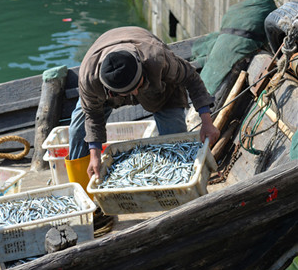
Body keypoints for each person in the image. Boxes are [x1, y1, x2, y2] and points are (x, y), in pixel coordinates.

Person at [67, 26, 220, 183]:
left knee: (176, 144)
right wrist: (95, 154)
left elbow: (191, 78)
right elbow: (92, 115)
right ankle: (84, 184)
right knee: (77, 129)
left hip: (158, 90)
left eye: (137, 87)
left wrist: (207, 122)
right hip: (103, 93)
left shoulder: (156, 58)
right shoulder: (89, 79)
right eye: (127, 92)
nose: (135, 95)